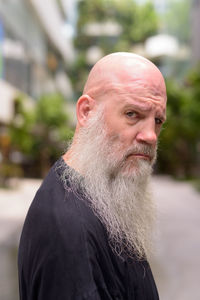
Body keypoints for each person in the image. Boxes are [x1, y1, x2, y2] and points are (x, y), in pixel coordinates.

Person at [18, 52, 167, 300]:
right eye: (133, 114)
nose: (151, 135)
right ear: (86, 112)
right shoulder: (68, 229)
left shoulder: (104, 196)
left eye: (158, 120)